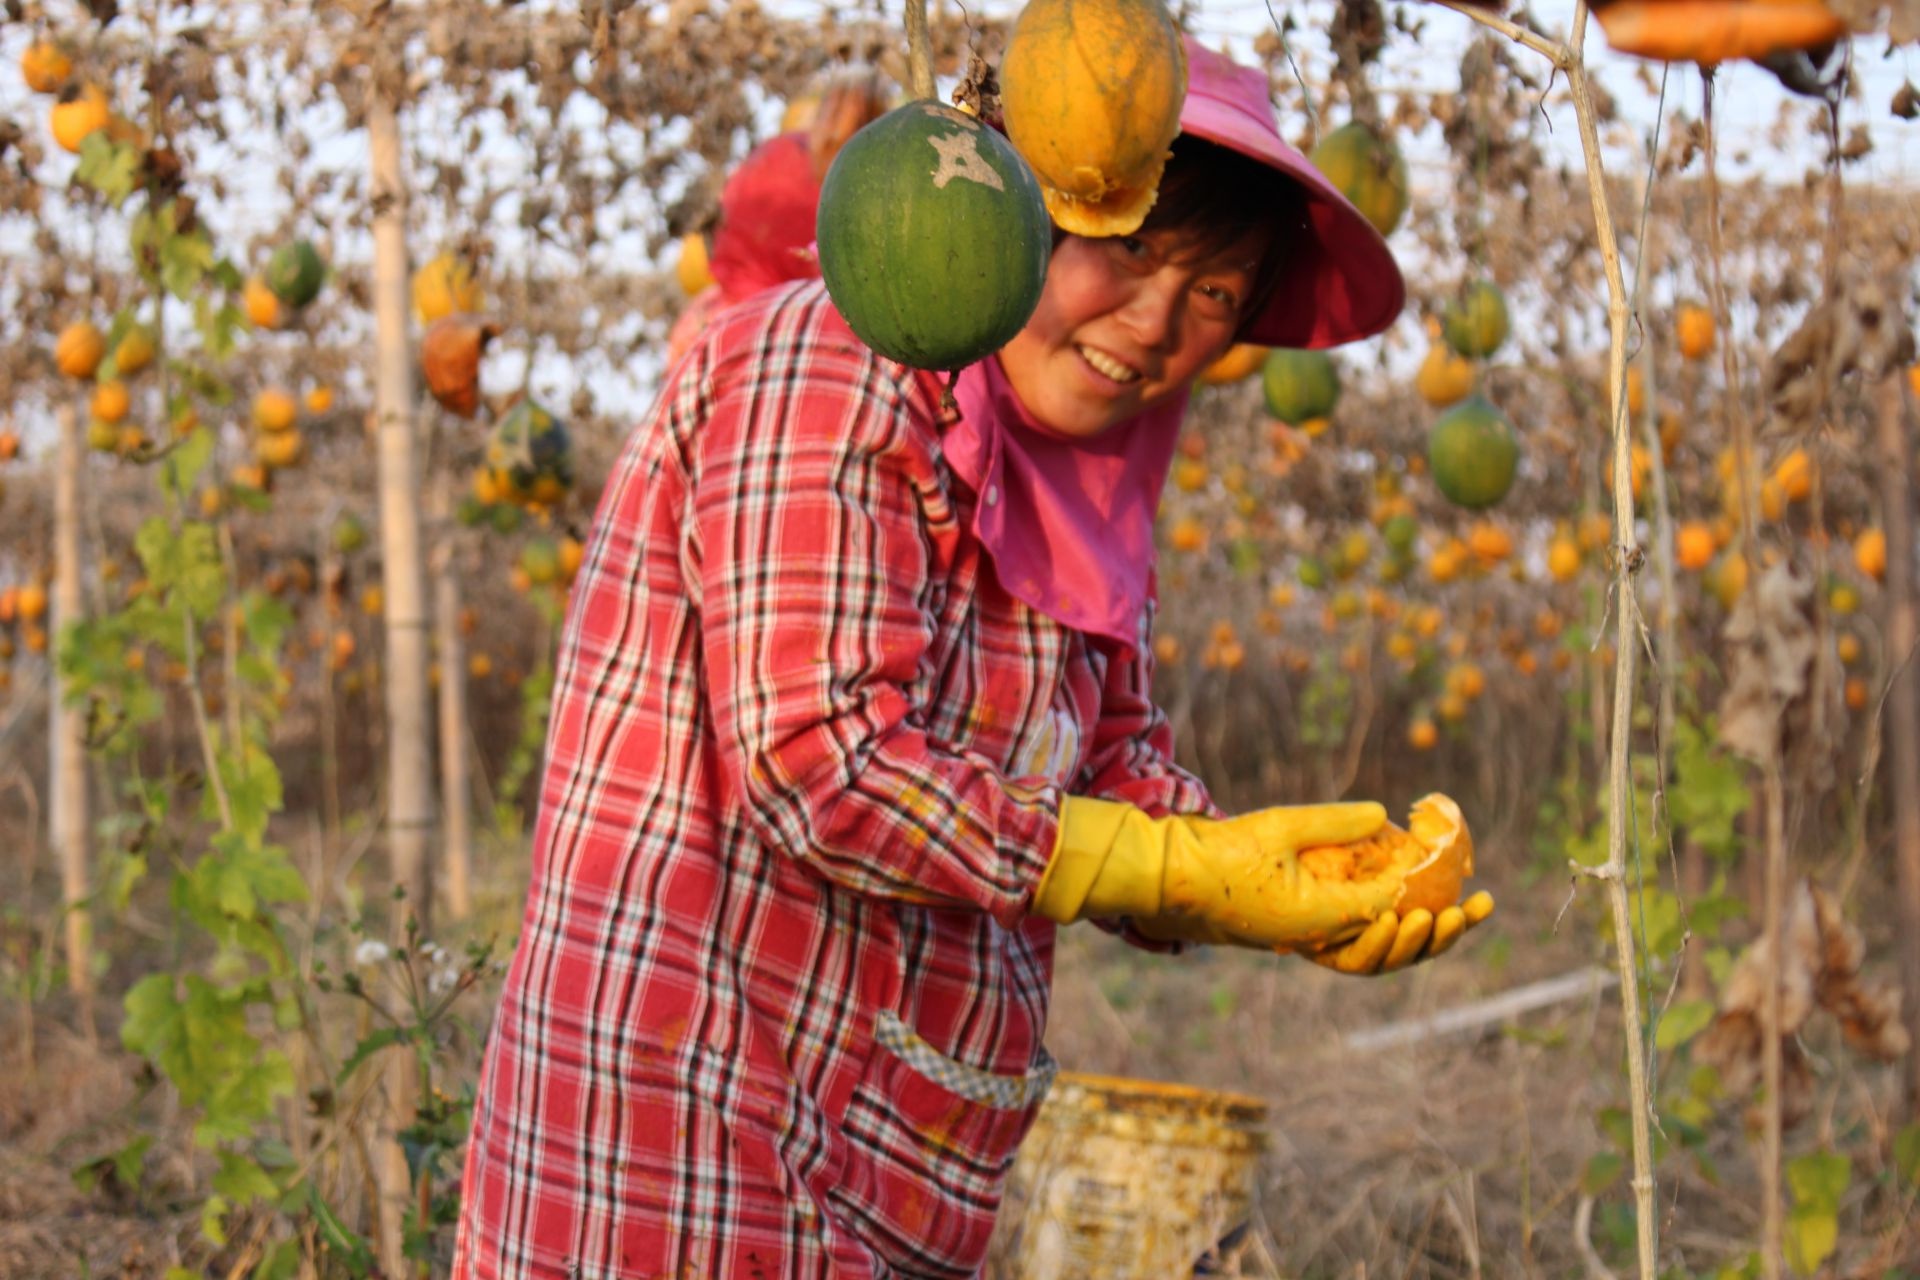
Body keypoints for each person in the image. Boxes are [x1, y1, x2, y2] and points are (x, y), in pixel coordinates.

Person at [453, 37, 1492, 1280]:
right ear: (1030, 216)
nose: (1159, 324)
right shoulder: (838, 363)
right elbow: (817, 758)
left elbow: (1108, 773)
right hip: (684, 1147)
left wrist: (1270, 880)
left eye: (1216, 294)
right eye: (1135, 250)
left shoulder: (1091, 493)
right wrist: (1162, 860)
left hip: (884, 1174)